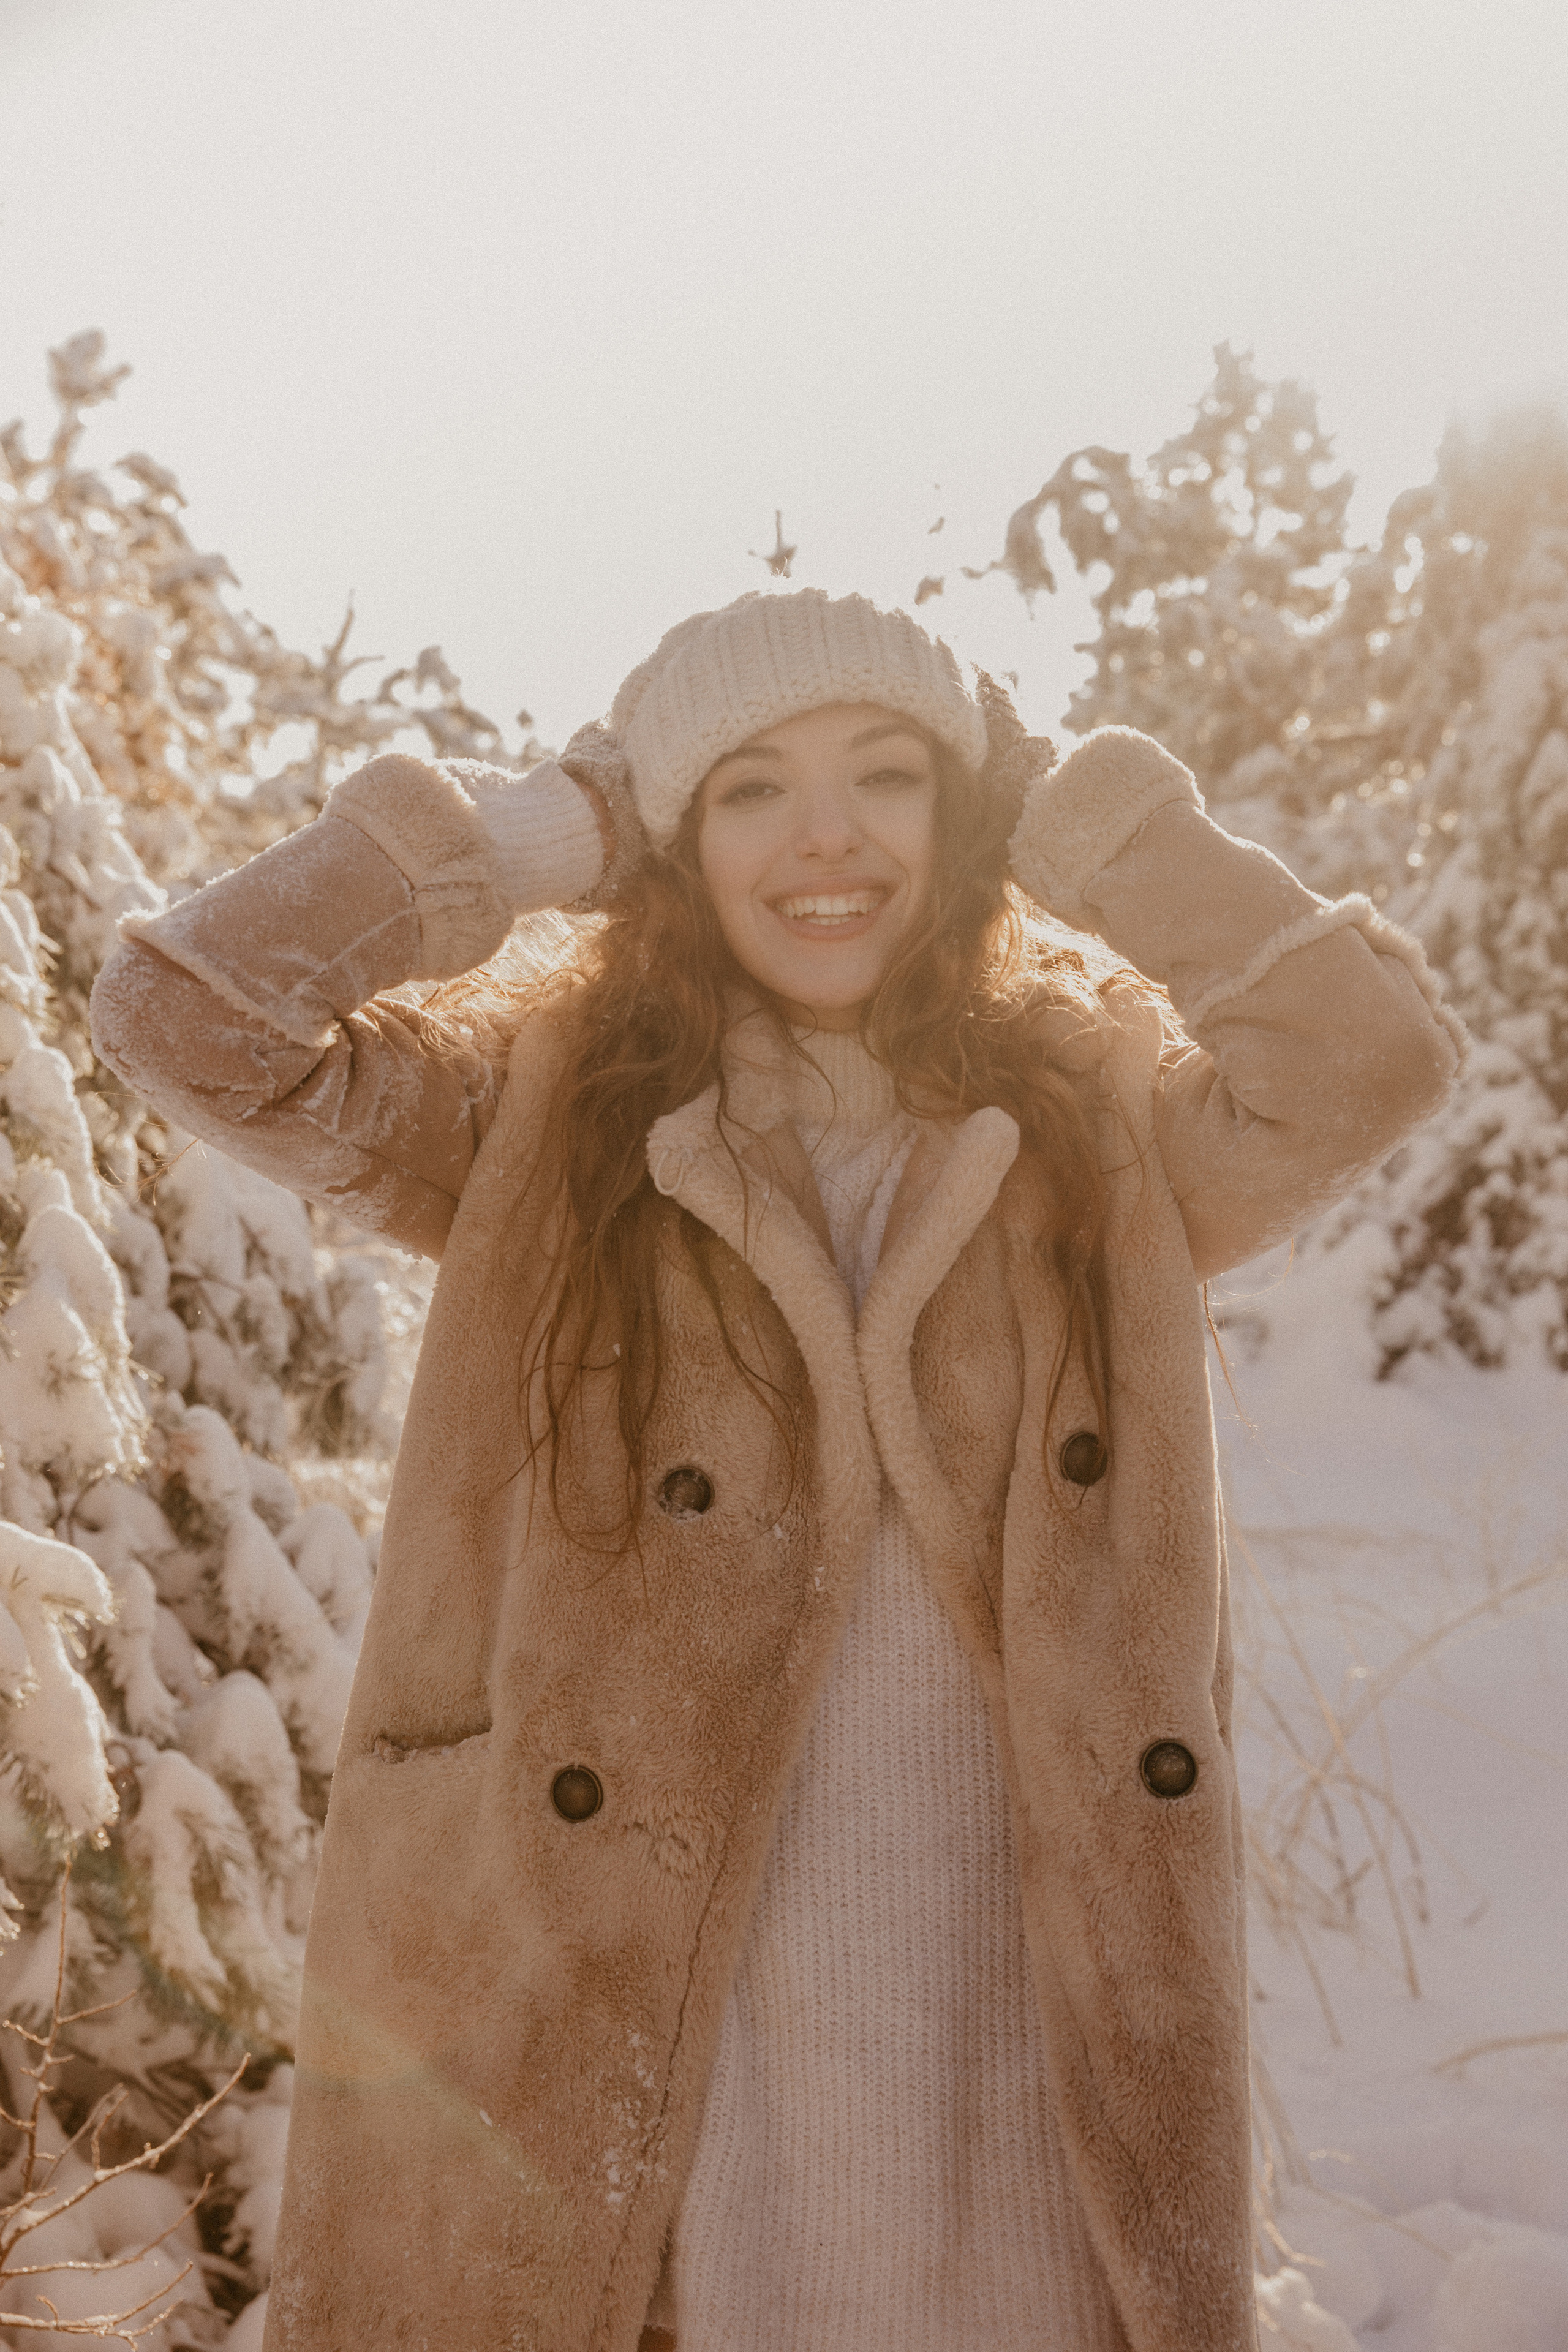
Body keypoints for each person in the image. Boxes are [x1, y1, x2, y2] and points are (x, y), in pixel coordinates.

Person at [91, 587, 1461, 2352]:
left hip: (1019, 2005)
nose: (827, 836)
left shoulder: (1096, 1124)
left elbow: (1371, 1058)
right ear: (665, 839)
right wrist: (526, 837)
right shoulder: (535, 1117)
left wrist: (1068, 806)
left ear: (961, 818)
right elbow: (186, 1016)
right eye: (749, 788)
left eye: (888, 776)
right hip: (643, 2004)